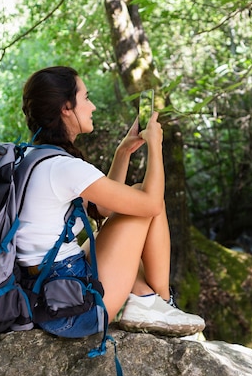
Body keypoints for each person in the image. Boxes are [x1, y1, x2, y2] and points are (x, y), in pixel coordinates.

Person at [16, 65, 205, 339]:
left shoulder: (34, 159)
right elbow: (150, 205)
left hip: (45, 297)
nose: (92, 107)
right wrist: (155, 146)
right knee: (143, 194)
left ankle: (147, 300)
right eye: (86, 98)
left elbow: (103, 209)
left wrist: (123, 152)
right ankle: (162, 305)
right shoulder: (63, 168)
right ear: (66, 107)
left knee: (100, 232)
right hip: (75, 312)